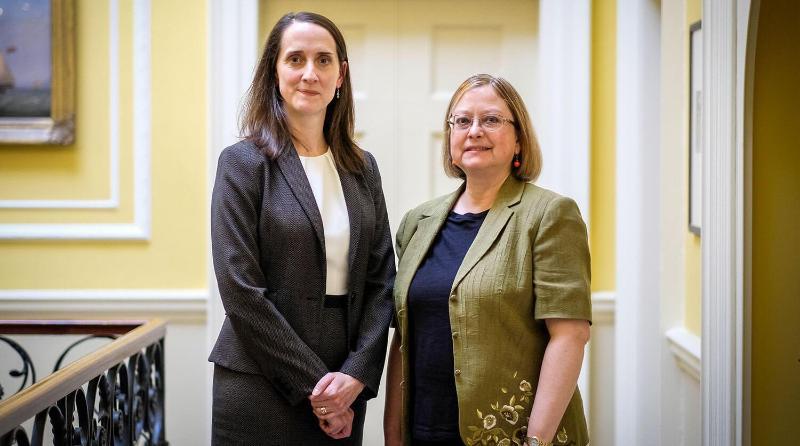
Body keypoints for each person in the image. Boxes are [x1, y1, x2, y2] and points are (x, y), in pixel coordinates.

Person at [209, 11, 394, 445]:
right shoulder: (242, 165)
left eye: (323, 60)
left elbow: (382, 281)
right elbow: (239, 290)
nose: (310, 73)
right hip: (260, 381)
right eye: (295, 59)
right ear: (275, 72)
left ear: (341, 75)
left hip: (344, 381)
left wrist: (354, 378)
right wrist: (317, 388)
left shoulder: (363, 169)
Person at [384, 74, 592, 446]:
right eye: (462, 121)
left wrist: (536, 441)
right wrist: (393, 435)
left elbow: (570, 335)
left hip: (514, 435)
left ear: (518, 139)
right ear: (450, 138)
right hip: (424, 430)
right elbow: (404, 336)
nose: (474, 130)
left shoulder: (549, 214)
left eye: (491, 120)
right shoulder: (418, 222)